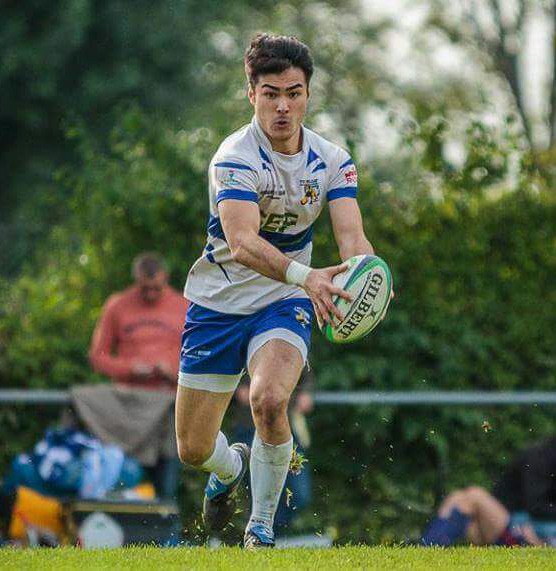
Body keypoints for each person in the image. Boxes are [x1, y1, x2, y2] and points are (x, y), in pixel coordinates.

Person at [176, 33, 382, 549]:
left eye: (294, 93)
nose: (283, 106)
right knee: (192, 449)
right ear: (252, 94)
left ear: (308, 93)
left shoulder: (333, 160)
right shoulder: (234, 157)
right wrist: (308, 276)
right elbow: (242, 243)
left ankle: (261, 529)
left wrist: (369, 273)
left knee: (269, 400)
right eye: (271, 94)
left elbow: (352, 238)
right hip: (218, 303)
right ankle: (230, 468)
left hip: (282, 300)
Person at [89, 252, 188, 500]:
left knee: (167, 482)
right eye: (145, 289)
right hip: (129, 408)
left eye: (157, 289)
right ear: (136, 280)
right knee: (127, 478)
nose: (151, 295)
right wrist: (131, 368)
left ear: (165, 278)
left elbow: (199, 357)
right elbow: (98, 357)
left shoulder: (184, 306)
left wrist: (173, 372)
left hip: (168, 407)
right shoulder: (117, 305)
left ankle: (166, 521)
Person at [420, 437, 556, 547]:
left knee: (474, 496)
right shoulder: (543, 455)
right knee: (457, 500)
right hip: (519, 524)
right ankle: (426, 548)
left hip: (533, 533)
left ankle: (427, 549)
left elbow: (537, 506)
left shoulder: (542, 455)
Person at [231, 367, 315, 535]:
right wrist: (237, 390)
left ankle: (270, 531)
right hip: (249, 430)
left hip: (287, 430)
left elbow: (306, 372)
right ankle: (264, 533)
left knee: (300, 494)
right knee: (258, 494)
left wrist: (306, 392)